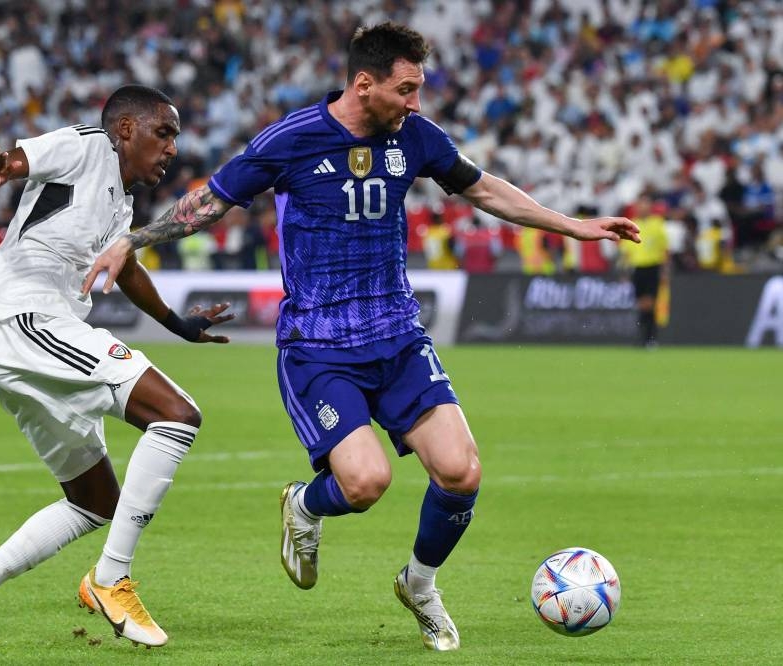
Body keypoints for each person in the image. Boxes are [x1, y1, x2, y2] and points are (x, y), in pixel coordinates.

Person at [82, 24, 640, 652]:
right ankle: (306, 505)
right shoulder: (292, 140)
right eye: (406, 90)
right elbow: (209, 202)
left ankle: (420, 584)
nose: (416, 104)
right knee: (365, 483)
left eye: (419, 90)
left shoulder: (416, 138)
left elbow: (484, 189)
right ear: (364, 83)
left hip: (397, 335)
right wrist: (135, 237)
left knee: (461, 472)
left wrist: (575, 227)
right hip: (319, 346)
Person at [0, 85, 233, 649]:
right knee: (176, 415)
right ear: (125, 130)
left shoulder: (122, 201)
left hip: (19, 339)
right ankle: (112, 578)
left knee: (94, 502)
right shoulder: (86, 145)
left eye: (175, 138)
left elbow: (127, 267)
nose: (171, 149)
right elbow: (12, 163)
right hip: (25, 319)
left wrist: (175, 323)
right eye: (163, 133)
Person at [621, 191, 669, 347]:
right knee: (641, 305)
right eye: (640, 204)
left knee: (650, 304)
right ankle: (645, 338)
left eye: (646, 204)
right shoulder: (631, 224)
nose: (643, 207)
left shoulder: (657, 223)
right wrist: (625, 272)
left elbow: (665, 249)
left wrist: (664, 270)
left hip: (652, 267)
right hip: (637, 268)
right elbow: (626, 252)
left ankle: (650, 338)